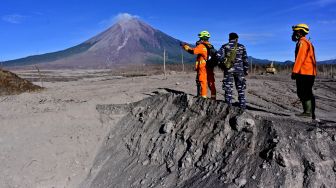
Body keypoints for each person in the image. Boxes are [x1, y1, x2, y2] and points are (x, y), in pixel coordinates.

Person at [291, 23, 317, 120]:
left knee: (303, 92)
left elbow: (300, 58)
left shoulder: (302, 42)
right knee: (307, 92)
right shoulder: (308, 42)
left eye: (295, 31)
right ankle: (310, 112)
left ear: (300, 32)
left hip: (304, 72)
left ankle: (307, 112)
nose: (293, 33)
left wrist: (295, 71)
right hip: (310, 72)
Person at [180, 31, 216, 99]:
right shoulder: (211, 46)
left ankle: (203, 97)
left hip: (203, 67)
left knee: (203, 81)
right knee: (211, 81)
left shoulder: (202, 46)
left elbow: (192, 51)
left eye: (200, 38)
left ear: (202, 38)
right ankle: (213, 97)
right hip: (210, 66)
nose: (199, 39)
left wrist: (184, 46)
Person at [218, 33, 249, 111]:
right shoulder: (242, 47)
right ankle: (242, 106)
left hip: (228, 70)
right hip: (240, 71)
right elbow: (245, 59)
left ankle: (228, 106)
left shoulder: (225, 46)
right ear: (236, 38)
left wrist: (223, 63)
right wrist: (246, 70)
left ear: (229, 38)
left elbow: (217, 56)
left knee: (228, 88)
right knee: (240, 88)